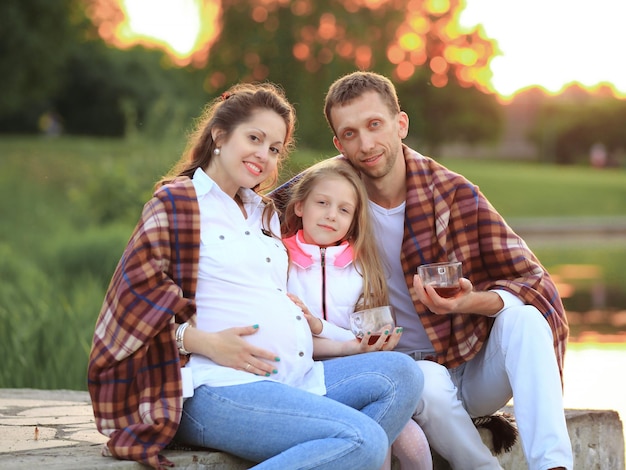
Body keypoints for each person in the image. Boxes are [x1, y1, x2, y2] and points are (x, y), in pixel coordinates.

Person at [87, 81, 424, 470]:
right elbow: (128, 312)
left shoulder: (261, 212)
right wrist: (204, 343)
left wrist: (341, 340)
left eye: (275, 148)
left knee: (403, 374)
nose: (264, 155)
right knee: (364, 441)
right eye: (255, 138)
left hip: (298, 378)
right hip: (219, 387)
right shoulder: (179, 203)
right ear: (219, 134)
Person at [272, 71, 572, 470]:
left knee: (527, 320)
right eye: (350, 133)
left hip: (468, 365)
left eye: (375, 125)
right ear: (338, 143)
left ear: (401, 124)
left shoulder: (453, 193)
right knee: (421, 377)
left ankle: (554, 466)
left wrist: (471, 301)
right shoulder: (328, 194)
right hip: (393, 373)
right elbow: (241, 208)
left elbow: (536, 283)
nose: (365, 144)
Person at [282, 158, 433, 470]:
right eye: (322, 203)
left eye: (344, 209)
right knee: (377, 444)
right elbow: (287, 336)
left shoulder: (361, 267)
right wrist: (338, 337)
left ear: (354, 219)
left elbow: (365, 336)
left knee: (414, 443)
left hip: (357, 378)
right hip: (299, 382)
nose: (330, 215)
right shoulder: (279, 260)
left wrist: (372, 341)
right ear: (299, 206)